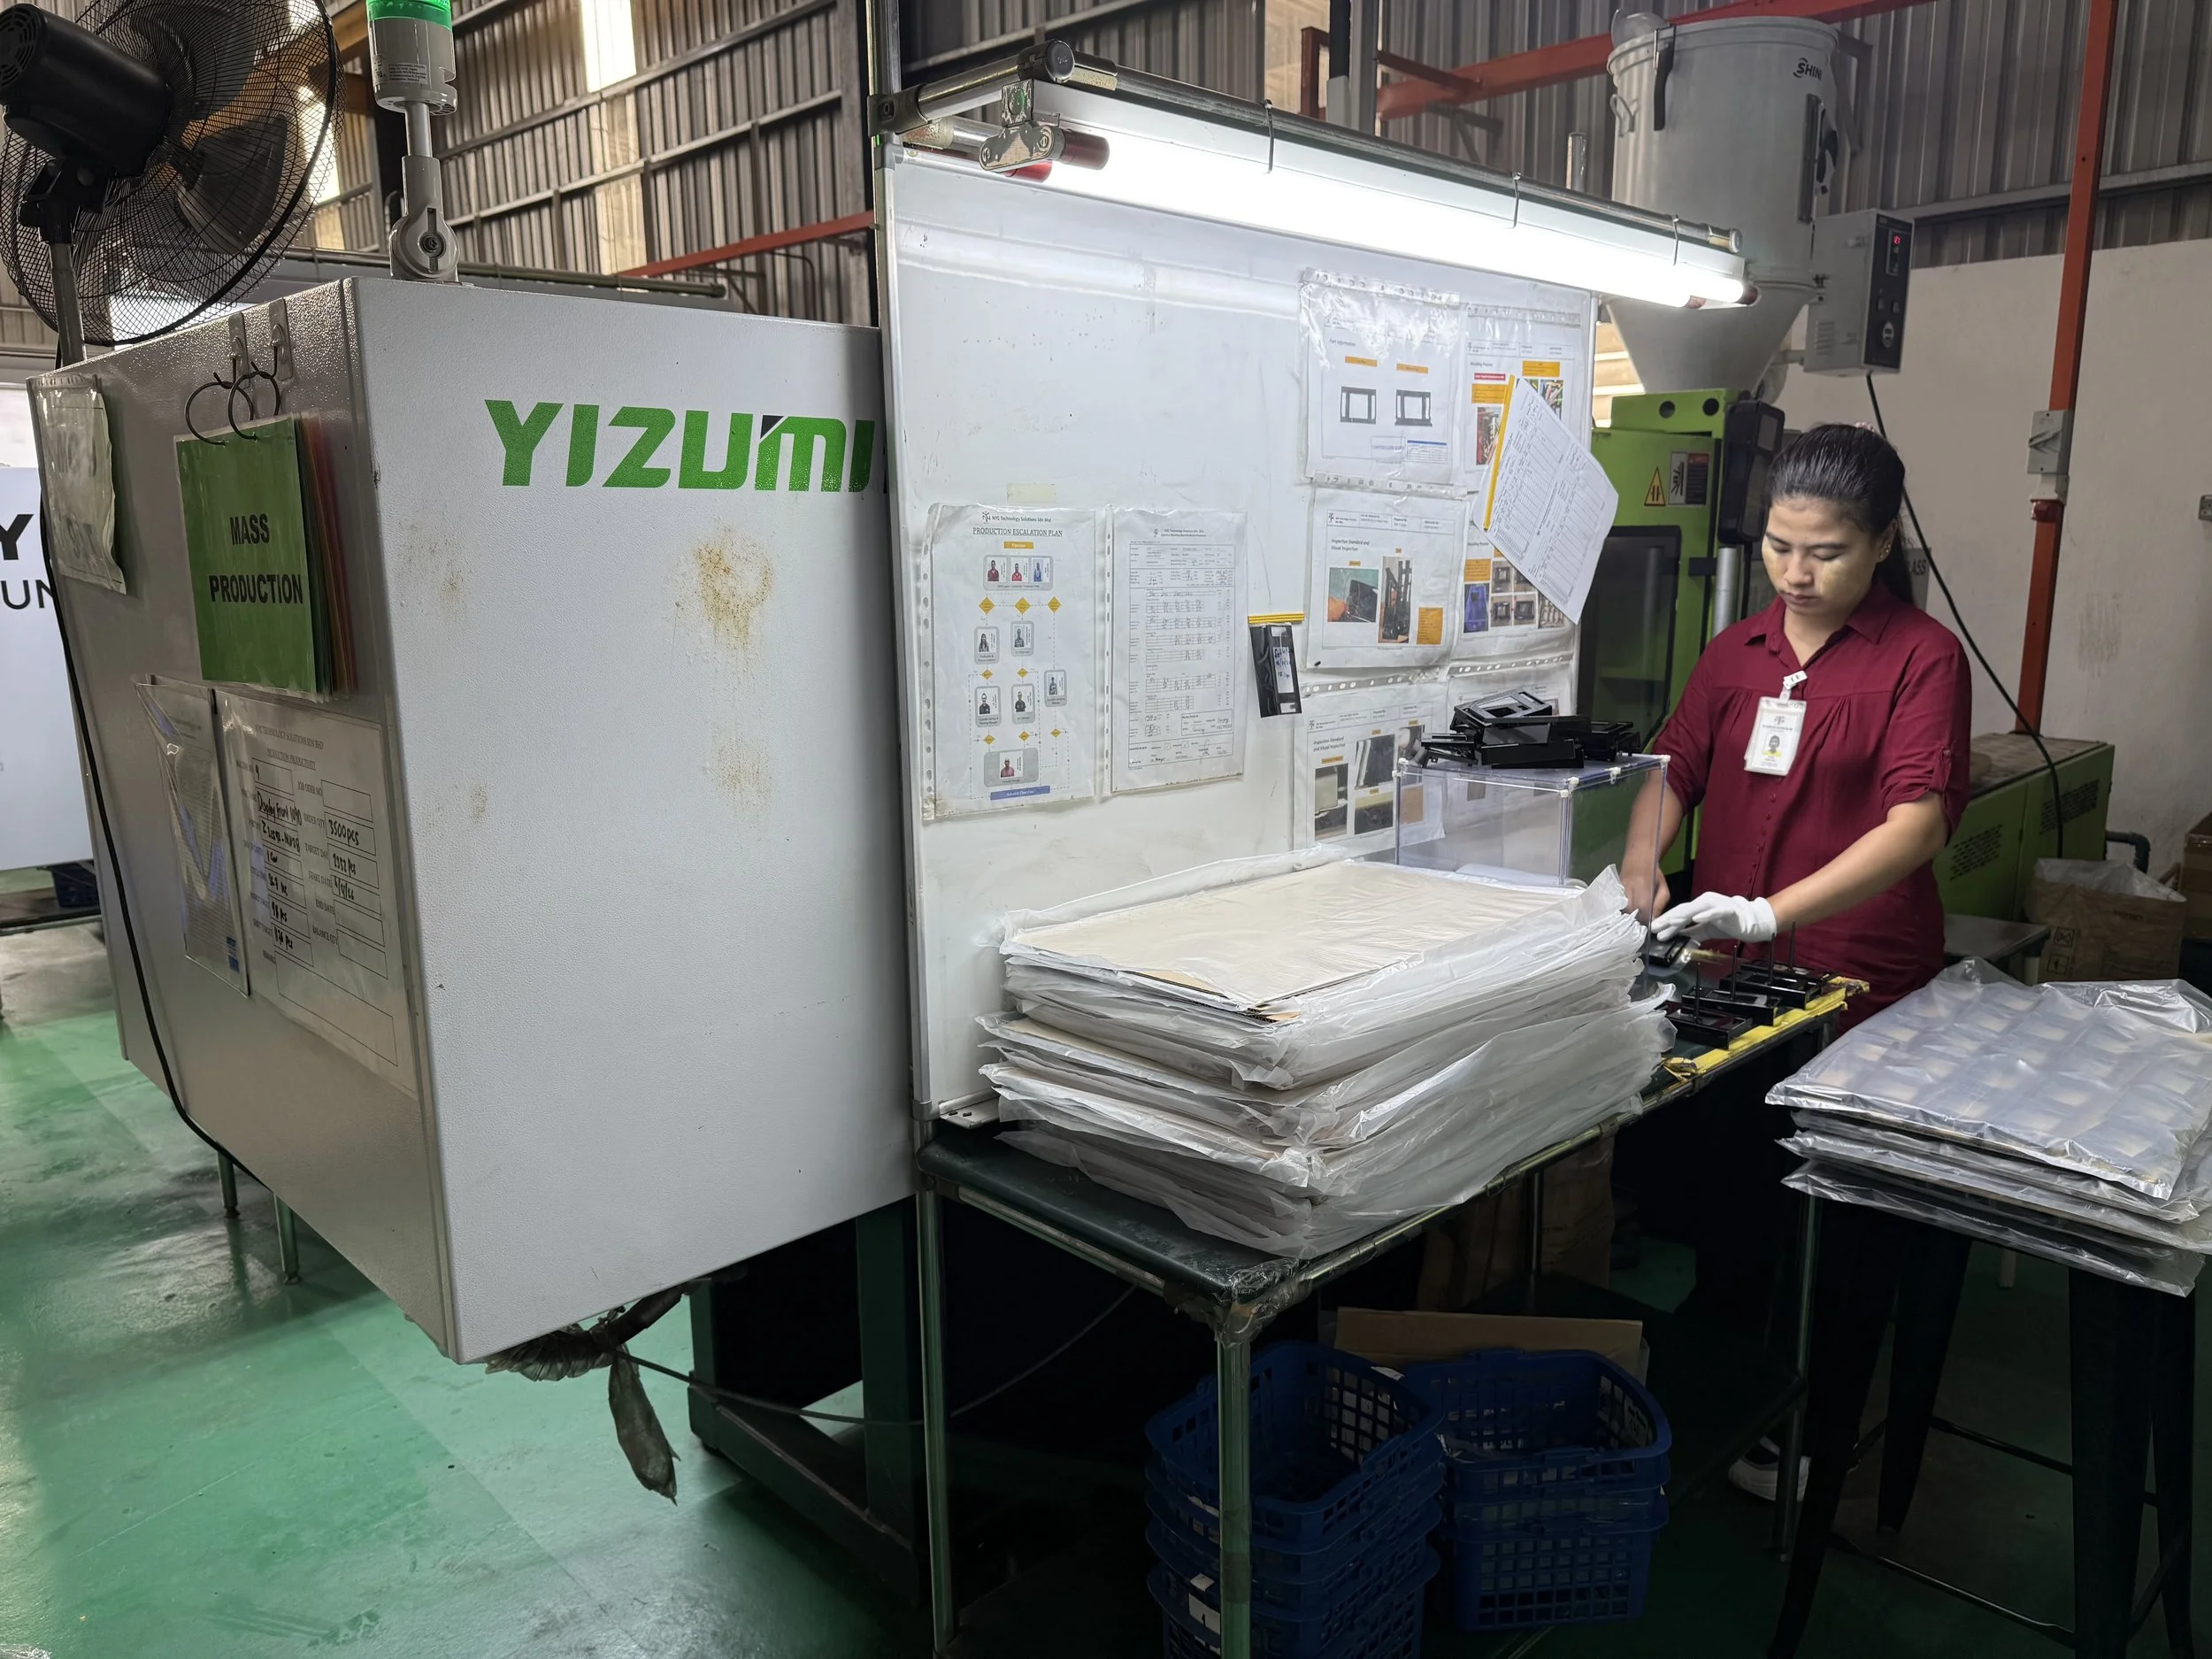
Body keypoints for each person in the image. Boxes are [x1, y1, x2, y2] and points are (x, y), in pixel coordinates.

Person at [1617, 423, 1972, 1502]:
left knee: (1844, 1226)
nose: (1796, 573)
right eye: (1778, 546)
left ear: (1881, 543)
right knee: (1734, 1198)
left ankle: (1814, 1434)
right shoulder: (1737, 651)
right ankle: (1723, 1395)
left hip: (1860, 983)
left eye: (1825, 551)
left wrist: (1773, 911)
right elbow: (1674, 764)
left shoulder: (1919, 657)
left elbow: (1917, 822)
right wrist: (1642, 860)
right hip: (1733, 980)